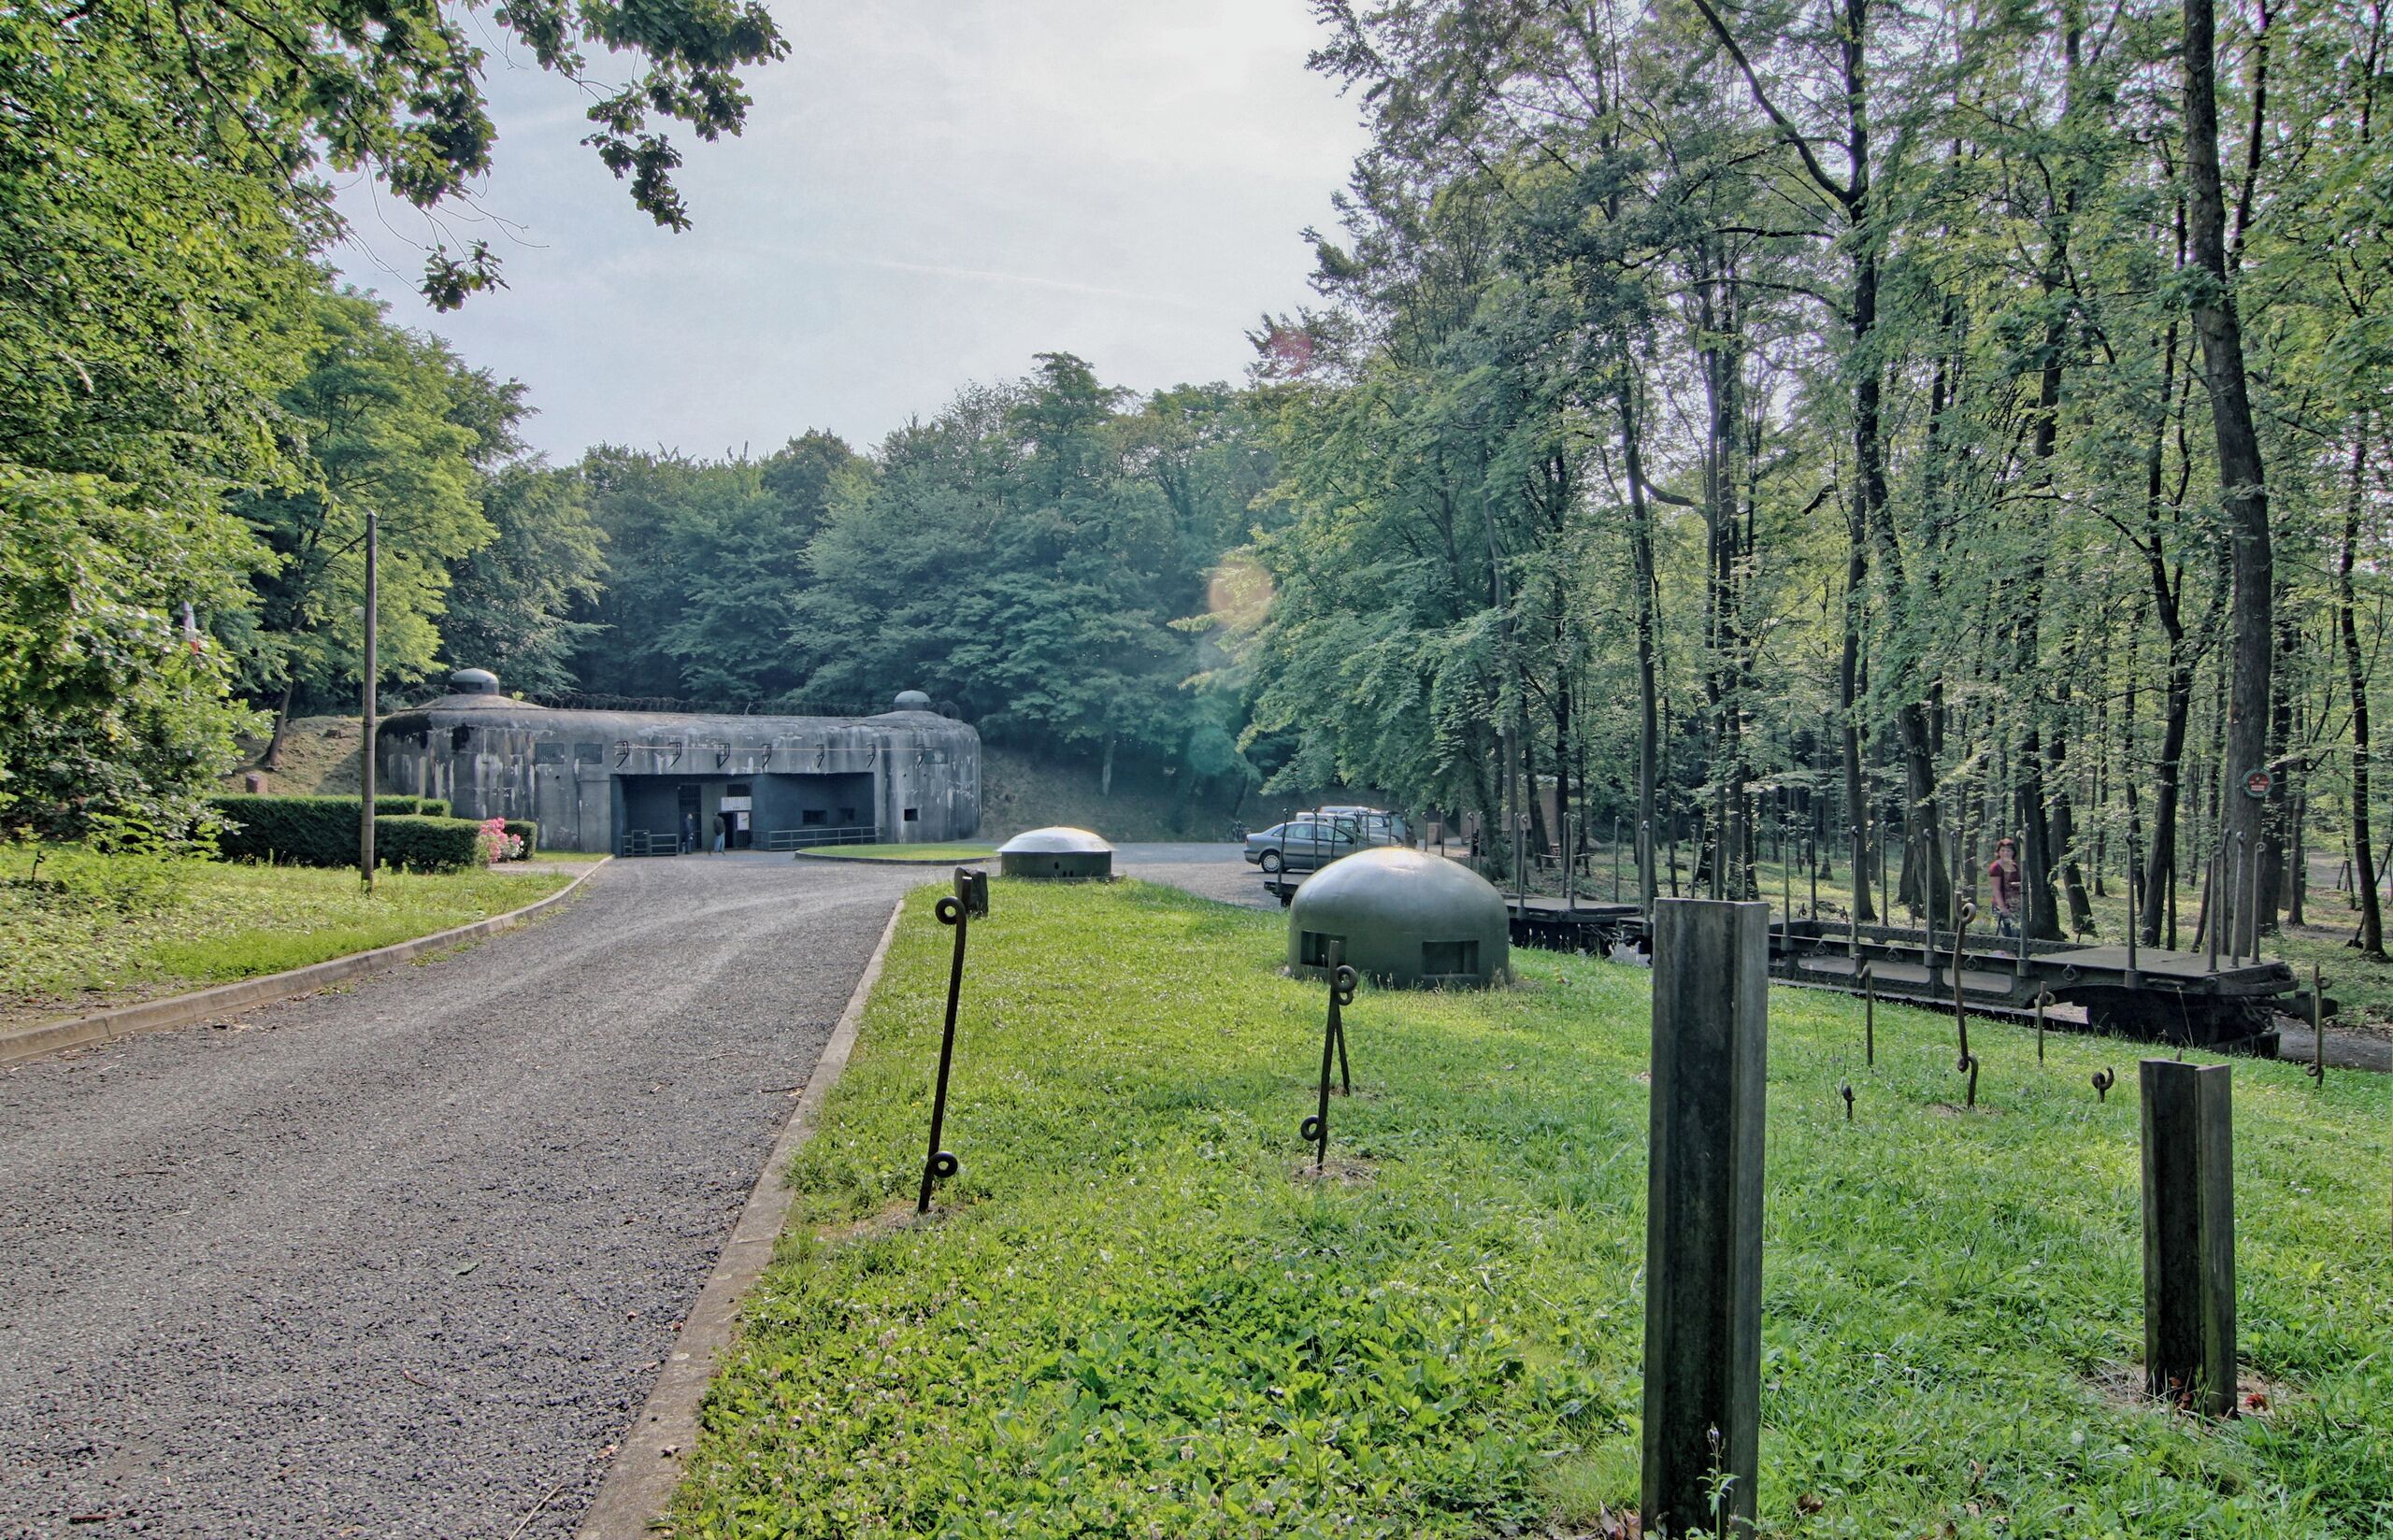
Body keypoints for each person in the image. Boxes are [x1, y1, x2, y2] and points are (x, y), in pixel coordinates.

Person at [1988, 836, 2023, 939]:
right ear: (1998, 852)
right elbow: (1996, 890)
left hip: (2015, 905)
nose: (2005, 853)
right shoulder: (1995, 867)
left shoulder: (2014, 865)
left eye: (2008, 850)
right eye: (2002, 850)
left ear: (2013, 852)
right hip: (2002, 905)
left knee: (2016, 934)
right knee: (2005, 936)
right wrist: (2002, 908)